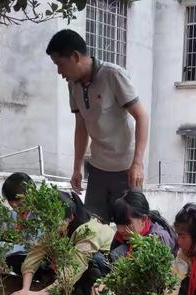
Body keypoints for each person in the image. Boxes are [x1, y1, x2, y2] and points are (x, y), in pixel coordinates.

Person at [45, 29, 149, 223]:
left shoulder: (113, 75)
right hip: (98, 168)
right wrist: (77, 168)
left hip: (125, 169)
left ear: (75, 56)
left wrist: (137, 164)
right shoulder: (73, 85)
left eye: (60, 64)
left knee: (130, 228)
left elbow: (142, 116)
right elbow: (81, 128)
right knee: (93, 226)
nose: (59, 72)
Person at [5, 191, 115, 295]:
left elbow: (74, 269)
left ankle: (90, 294)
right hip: (76, 270)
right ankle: (63, 287)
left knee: (92, 260)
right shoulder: (54, 227)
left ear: (70, 217)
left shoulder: (90, 231)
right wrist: (25, 289)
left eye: (55, 224)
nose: (51, 229)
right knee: (16, 259)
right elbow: (35, 255)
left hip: (104, 271)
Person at [90, 190, 177, 295]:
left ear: (143, 219)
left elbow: (147, 280)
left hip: (150, 292)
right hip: (125, 283)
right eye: (118, 223)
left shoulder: (158, 239)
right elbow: (111, 269)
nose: (120, 229)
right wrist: (101, 282)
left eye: (127, 223)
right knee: (97, 259)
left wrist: (114, 290)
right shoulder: (121, 235)